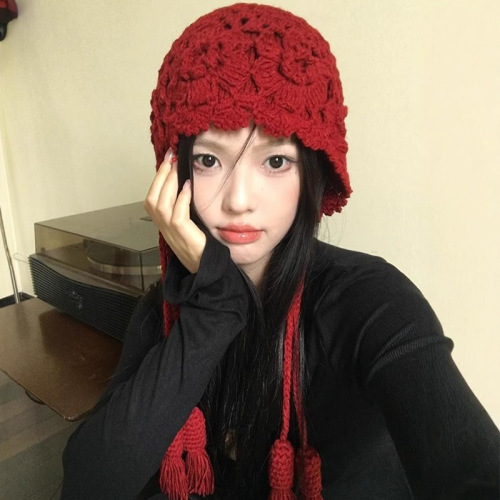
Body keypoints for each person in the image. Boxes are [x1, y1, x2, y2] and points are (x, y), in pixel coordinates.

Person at [61, 3, 499, 499]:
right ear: (172, 172)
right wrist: (214, 308)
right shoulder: (166, 306)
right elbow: (88, 485)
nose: (238, 200)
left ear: (313, 173)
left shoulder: (370, 302)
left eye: (274, 161)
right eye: (207, 160)